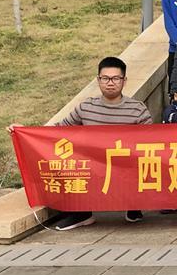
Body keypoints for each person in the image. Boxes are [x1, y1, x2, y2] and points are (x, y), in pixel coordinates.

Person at [8, 57, 152, 231]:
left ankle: (134, 205)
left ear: (124, 80)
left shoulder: (137, 109)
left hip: (125, 165)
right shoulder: (86, 108)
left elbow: (151, 142)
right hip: (93, 166)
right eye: (105, 78)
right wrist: (25, 131)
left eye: (116, 78)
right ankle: (81, 213)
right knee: (66, 161)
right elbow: (57, 131)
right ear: (98, 80)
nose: (110, 83)